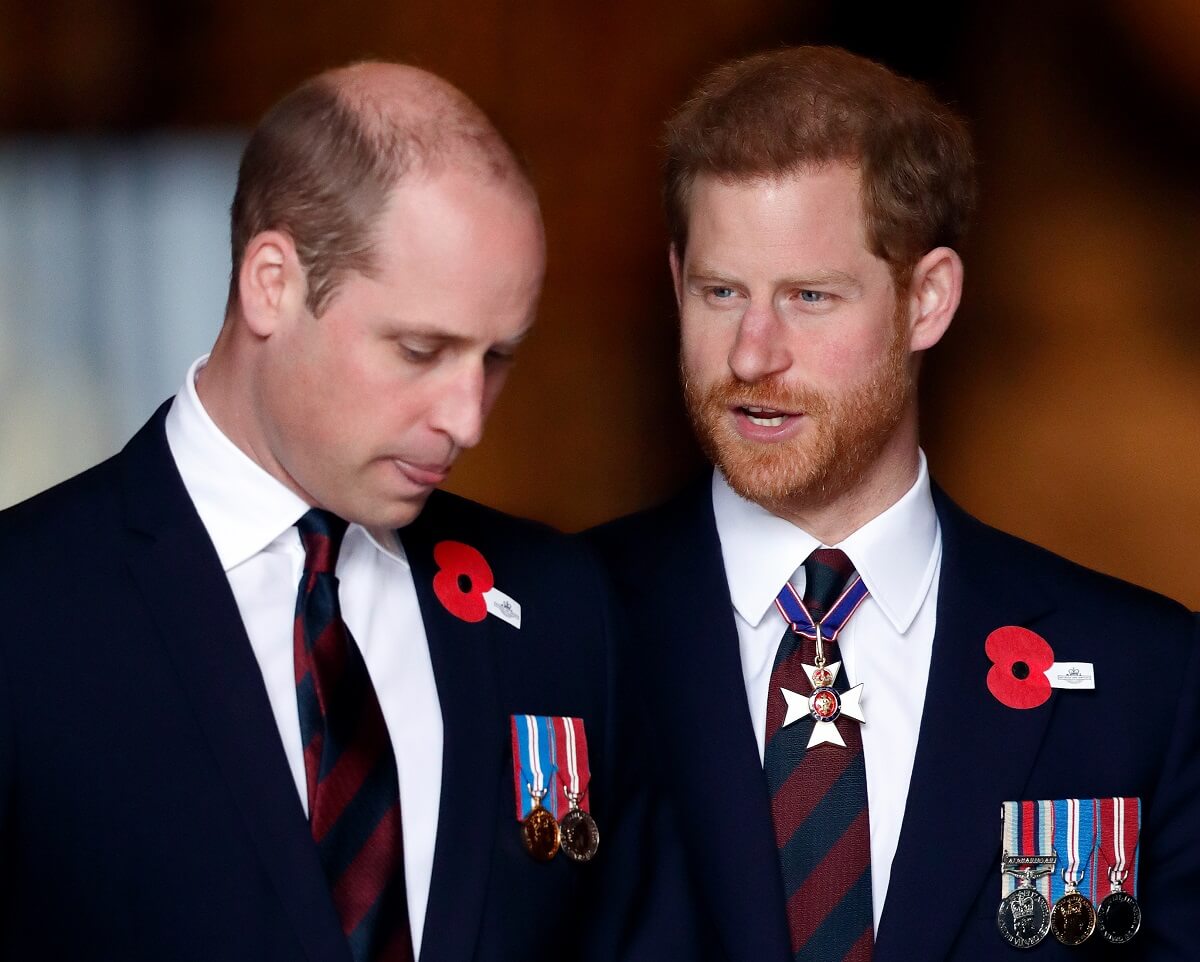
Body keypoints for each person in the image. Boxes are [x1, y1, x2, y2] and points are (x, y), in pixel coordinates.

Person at [0, 62, 642, 962]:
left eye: (497, 359)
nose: (467, 418)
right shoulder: (23, 610)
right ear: (273, 283)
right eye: (421, 349)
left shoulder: (560, 608)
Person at [588, 46, 1200, 961]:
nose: (753, 354)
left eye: (809, 296)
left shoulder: (1149, 679)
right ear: (678, 283)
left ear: (928, 301)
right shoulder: (551, 630)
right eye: (721, 293)